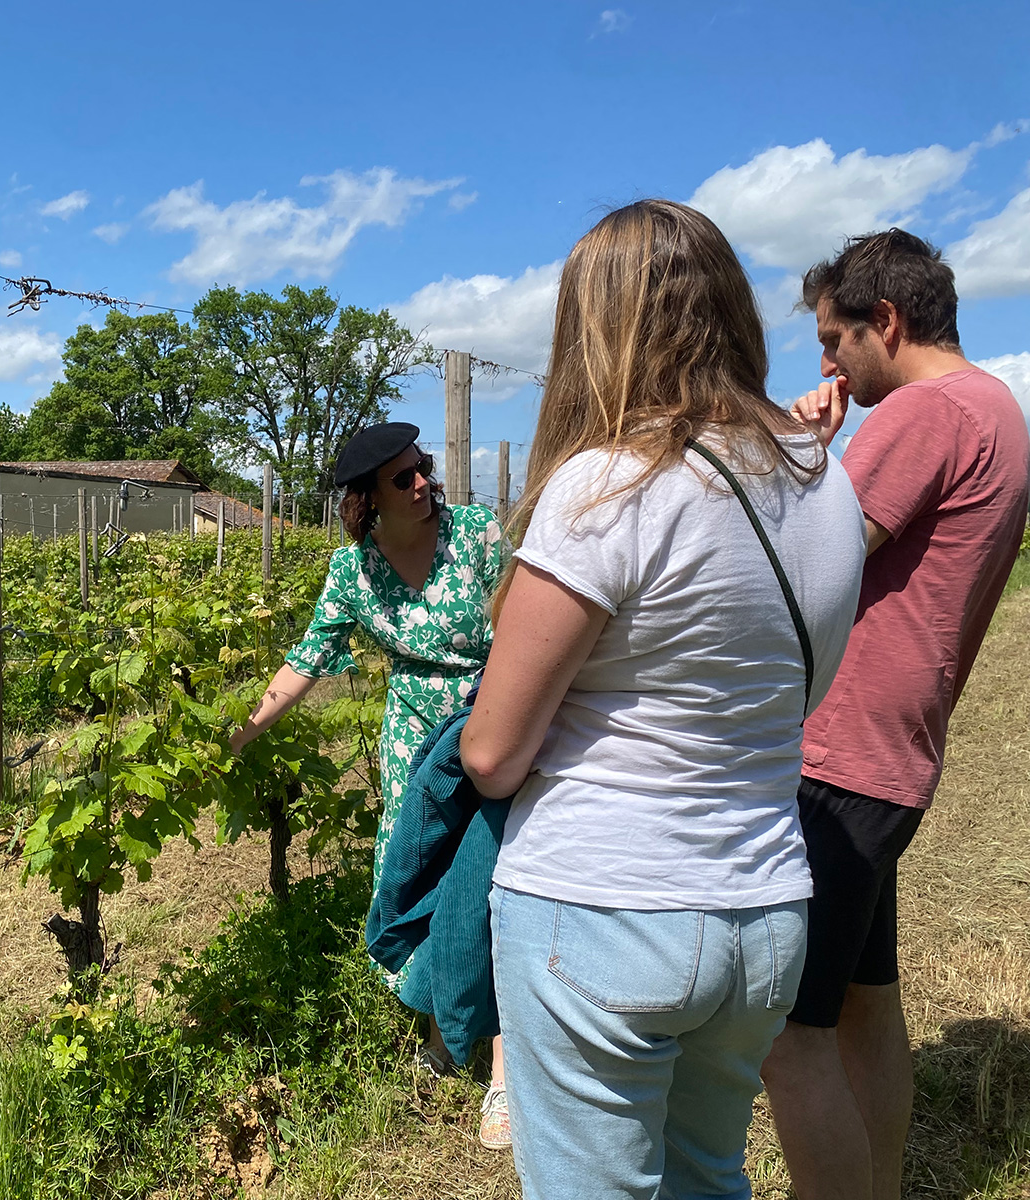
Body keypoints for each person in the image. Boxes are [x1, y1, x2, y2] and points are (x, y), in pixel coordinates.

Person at [459, 198, 867, 1199]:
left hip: (603, 906)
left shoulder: (607, 485)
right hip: (763, 907)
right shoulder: (823, 485)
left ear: (591, 327)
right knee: (704, 1177)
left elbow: (492, 755)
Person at [760, 230, 1030, 1200]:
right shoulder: (995, 405)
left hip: (840, 756)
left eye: (835, 340)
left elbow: (814, 559)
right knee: (867, 1006)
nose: (825, 362)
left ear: (888, 321)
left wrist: (802, 456)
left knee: (788, 1035)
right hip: (896, 754)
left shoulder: (923, 413)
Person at [229, 423, 513, 1149]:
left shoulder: (476, 535)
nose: (422, 484)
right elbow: (309, 656)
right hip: (414, 737)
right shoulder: (353, 571)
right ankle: (446, 1035)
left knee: (497, 881)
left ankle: (505, 1074)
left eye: (422, 469)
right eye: (402, 478)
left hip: (497, 722)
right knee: (421, 878)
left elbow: (521, 631)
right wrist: (239, 732)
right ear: (365, 501)